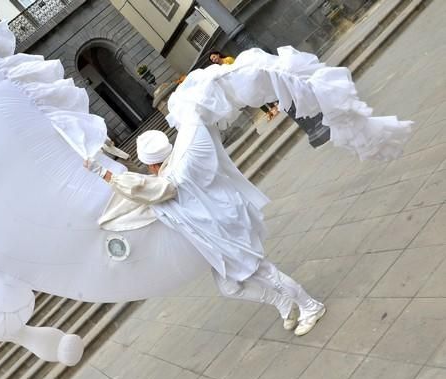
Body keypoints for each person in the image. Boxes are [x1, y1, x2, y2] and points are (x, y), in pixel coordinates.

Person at [86, 130, 325, 336]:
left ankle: (310, 306)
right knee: (230, 287)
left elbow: (151, 188)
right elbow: (146, 193)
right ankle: (282, 301)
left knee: (266, 273)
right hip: (215, 243)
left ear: (152, 163)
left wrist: (105, 174)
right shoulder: (169, 172)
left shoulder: (174, 175)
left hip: (225, 236)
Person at [209, 50, 279, 120]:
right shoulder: (219, 69)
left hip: (243, 80)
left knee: (259, 92)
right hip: (237, 86)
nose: (214, 59)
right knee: (252, 98)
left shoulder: (228, 59)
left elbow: (238, 67)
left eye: (214, 57)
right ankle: (267, 112)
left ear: (218, 55)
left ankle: (273, 107)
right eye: (212, 59)